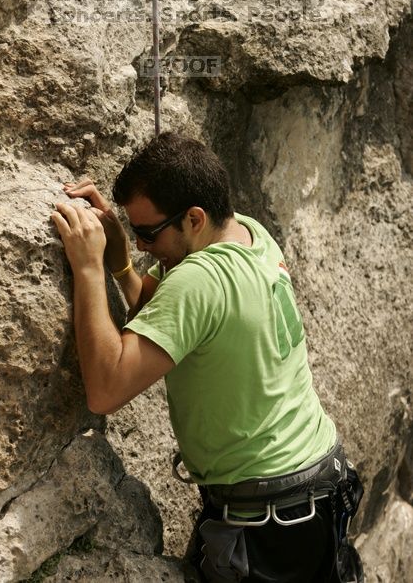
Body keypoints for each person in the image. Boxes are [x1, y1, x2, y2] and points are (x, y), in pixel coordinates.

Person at [51, 132, 364, 583]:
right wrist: (119, 260)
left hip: (268, 527)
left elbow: (104, 391)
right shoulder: (250, 233)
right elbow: (170, 317)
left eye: (147, 232)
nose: (141, 245)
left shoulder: (198, 281)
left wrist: (86, 267)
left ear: (194, 218)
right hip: (314, 494)